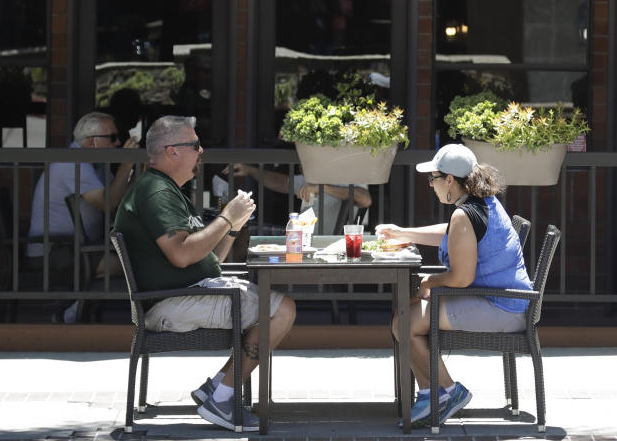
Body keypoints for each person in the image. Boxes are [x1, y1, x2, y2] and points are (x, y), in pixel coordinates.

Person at [113, 115, 296, 432]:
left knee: (275, 305)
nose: (201, 152)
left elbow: (208, 259)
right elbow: (182, 255)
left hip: (187, 293)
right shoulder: (157, 192)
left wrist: (231, 228)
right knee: (282, 309)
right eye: (195, 145)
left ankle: (218, 388)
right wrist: (225, 218)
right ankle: (222, 398)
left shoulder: (166, 189)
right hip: (170, 303)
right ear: (172, 152)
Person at [374, 143, 533, 427]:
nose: (431, 185)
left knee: (404, 322)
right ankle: (433, 394)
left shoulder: (464, 214)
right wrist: (401, 231)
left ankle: (447, 392)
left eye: (432, 178)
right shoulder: (481, 202)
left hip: (502, 307)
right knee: (405, 316)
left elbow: (461, 278)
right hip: (507, 301)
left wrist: (428, 283)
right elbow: (451, 235)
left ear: (449, 180)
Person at [27, 111, 138, 274]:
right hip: (55, 251)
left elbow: (119, 196)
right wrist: (127, 164)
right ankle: (84, 298)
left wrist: (139, 172)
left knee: (136, 260)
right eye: (112, 137)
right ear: (93, 141)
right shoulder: (73, 163)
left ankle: (86, 298)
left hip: (78, 248)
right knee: (133, 268)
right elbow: (108, 203)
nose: (118, 142)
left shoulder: (95, 164)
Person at [226, 163, 371, 233]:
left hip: (319, 244)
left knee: (247, 233)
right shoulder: (310, 179)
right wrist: (251, 170)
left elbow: (366, 199)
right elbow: (282, 182)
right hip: (301, 240)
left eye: (303, 165)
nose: (300, 169)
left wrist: (323, 188)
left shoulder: (340, 179)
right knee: (246, 231)